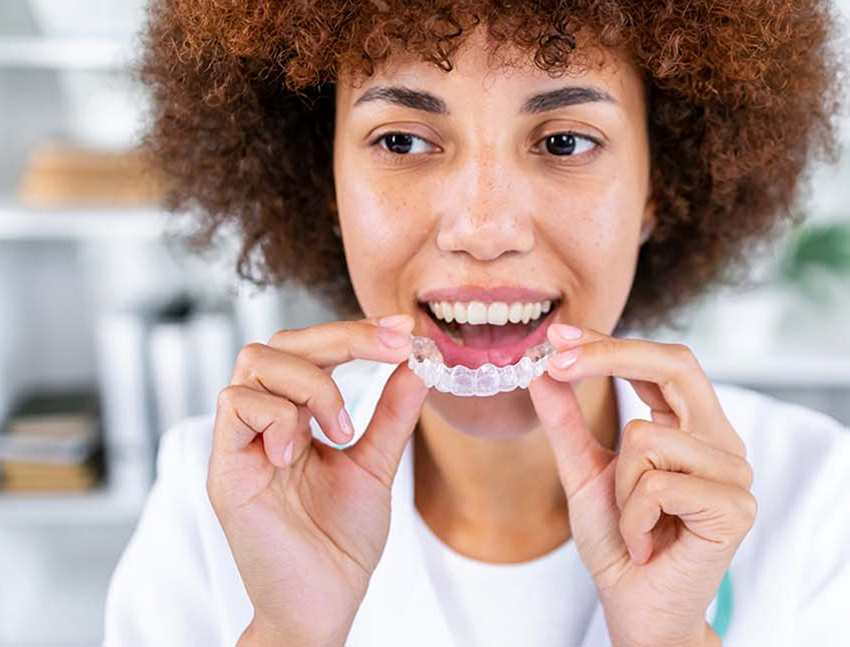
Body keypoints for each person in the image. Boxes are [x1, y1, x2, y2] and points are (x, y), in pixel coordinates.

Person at [104, 1, 850, 645]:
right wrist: (289, 633)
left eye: (564, 141)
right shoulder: (211, 503)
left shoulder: (817, 504)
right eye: (401, 140)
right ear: (322, 178)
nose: (484, 227)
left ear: (660, 185)